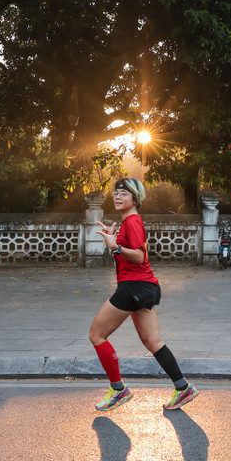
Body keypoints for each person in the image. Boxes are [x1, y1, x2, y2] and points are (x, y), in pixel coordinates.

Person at [89, 177, 198, 412]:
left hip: (133, 287)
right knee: (153, 342)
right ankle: (183, 387)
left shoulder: (133, 221)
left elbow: (139, 256)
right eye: (116, 193)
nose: (118, 197)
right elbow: (130, 254)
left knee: (97, 335)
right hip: (142, 287)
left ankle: (118, 389)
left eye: (124, 194)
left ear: (135, 198)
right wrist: (114, 240)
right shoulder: (128, 222)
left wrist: (115, 246)